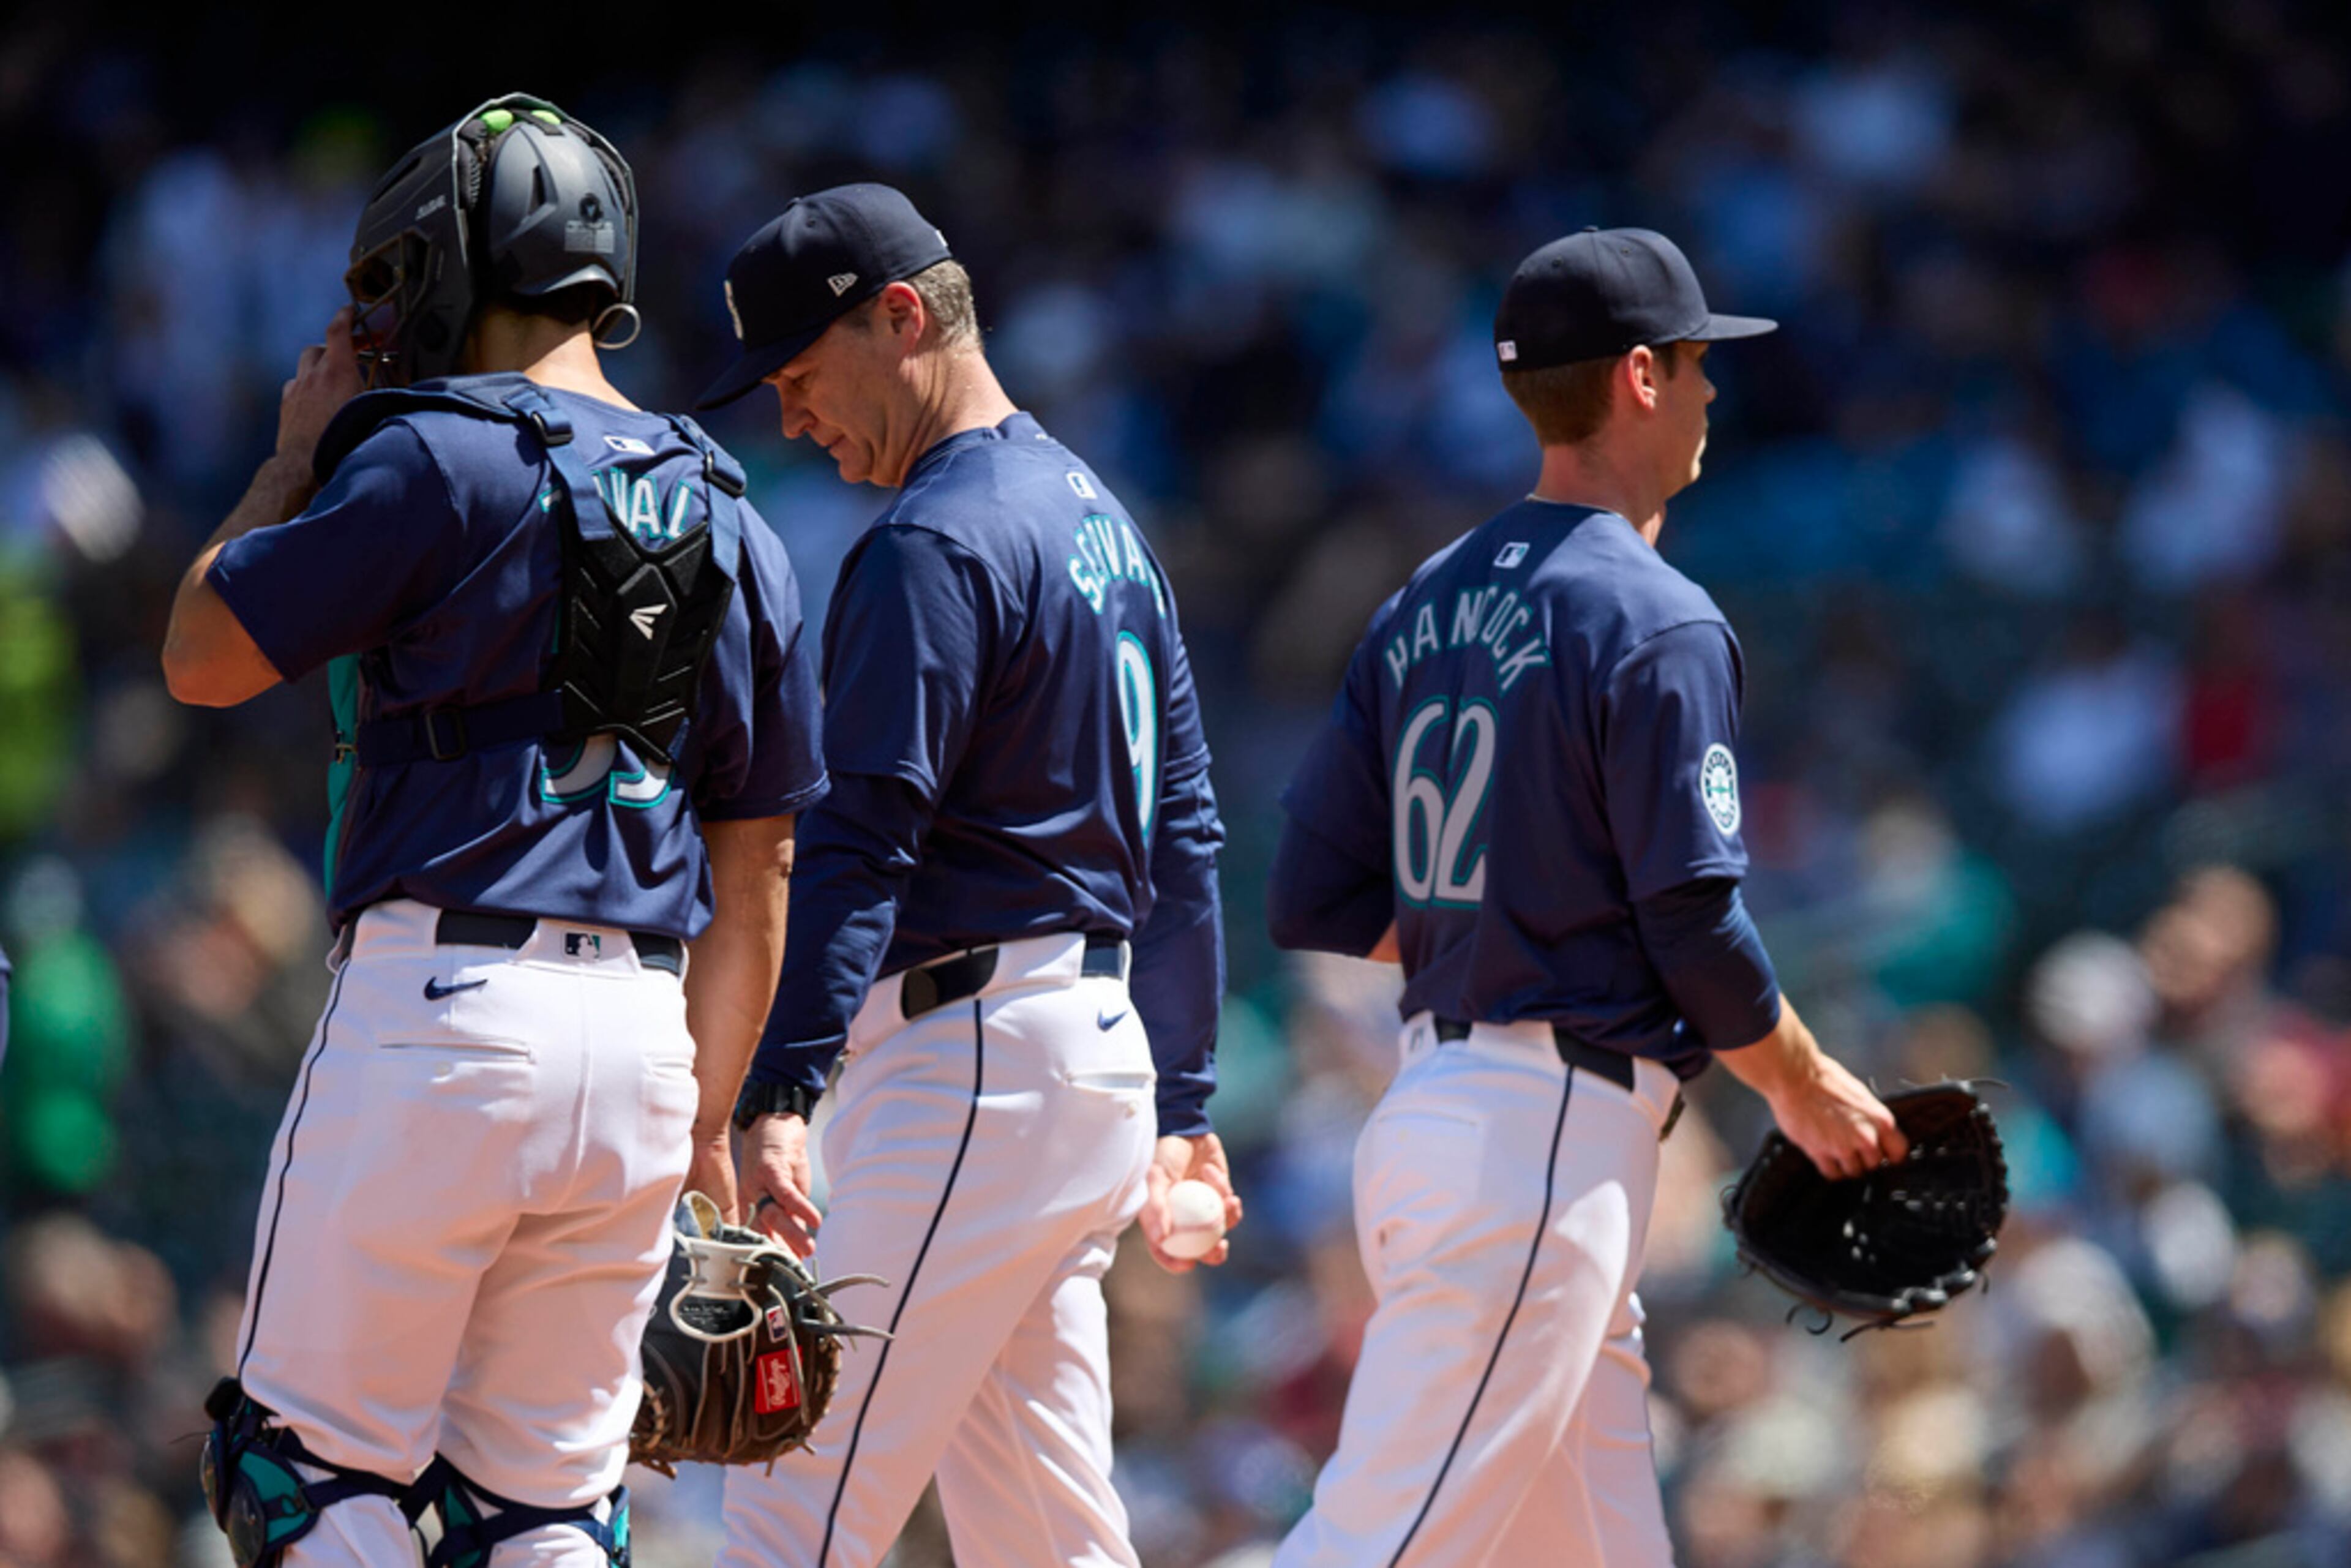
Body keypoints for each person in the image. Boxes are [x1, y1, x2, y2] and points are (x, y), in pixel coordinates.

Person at [159, 94, 826, 1568]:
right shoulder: (738, 508)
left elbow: (200, 658)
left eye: (401, 275)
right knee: (538, 1510)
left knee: (296, 1472)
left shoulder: (428, 454)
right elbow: (762, 865)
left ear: (463, 259)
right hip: (647, 1049)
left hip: (443, 1018)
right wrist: (706, 1127)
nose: (384, 313)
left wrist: (293, 460)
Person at [1265, 227, 1908, 1566]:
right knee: (1375, 1547)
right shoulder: (1653, 615)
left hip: (1444, 1123)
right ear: (1638, 377)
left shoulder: (1420, 603)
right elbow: (1694, 921)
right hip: (1536, 1140)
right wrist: (1798, 1080)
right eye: (1694, 361)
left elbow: (1315, 898)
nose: (1712, 389)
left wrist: (1495, 930)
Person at [696, 182, 1235, 1568]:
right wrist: (1181, 1097)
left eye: (804, 374)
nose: (791, 417)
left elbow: (863, 845)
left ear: (899, 318)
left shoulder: (932, 541)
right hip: (1079, 1059)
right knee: (1046, 1533)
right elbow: (1183, 843)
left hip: (970, 1070)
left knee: (784, 1509)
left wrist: (779, 1088)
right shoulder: (1101, 519)